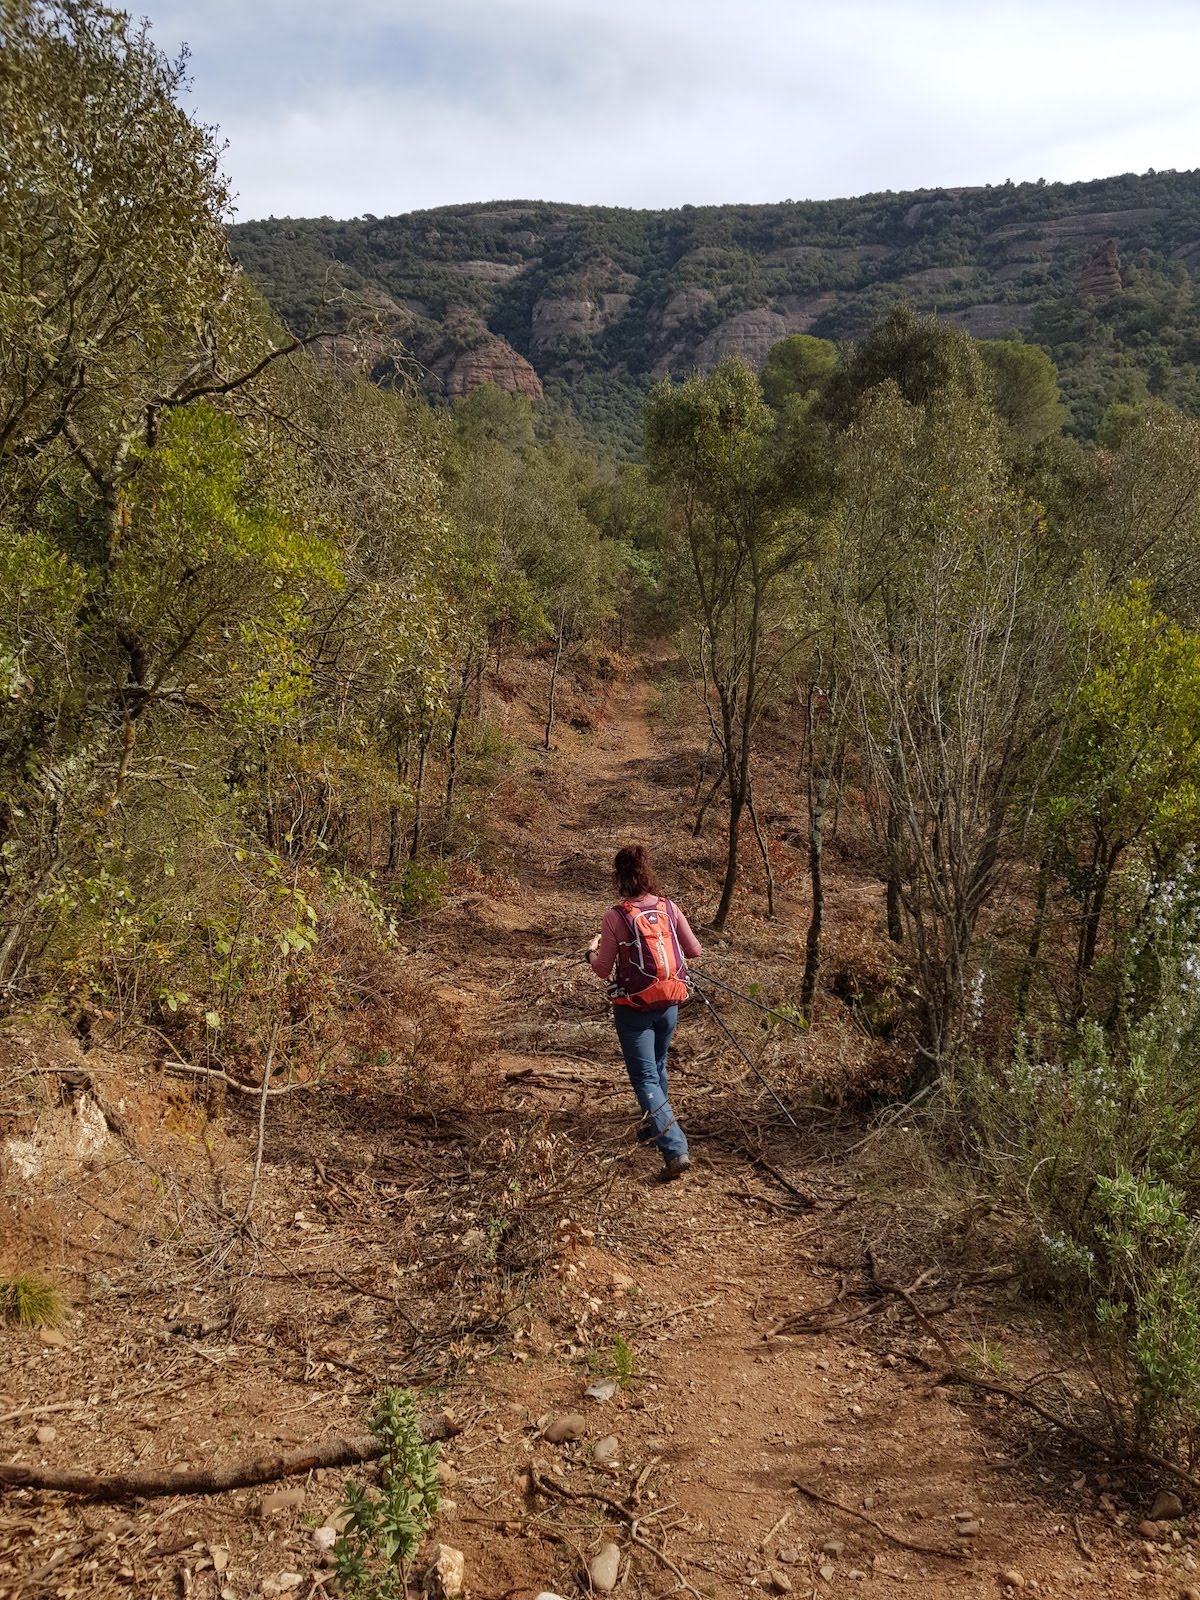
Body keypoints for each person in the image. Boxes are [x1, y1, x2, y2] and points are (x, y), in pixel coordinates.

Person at [586, 843, 702, 1181]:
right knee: (659, 1065)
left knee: (645, 1078)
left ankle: (674, 1148)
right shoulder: (668, 907)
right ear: (647, 872)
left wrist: (590, 953)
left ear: (618, 876)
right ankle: (654, 1128)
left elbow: (602, 968)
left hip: (634, 1008)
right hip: (669, 1002)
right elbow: (693, 950)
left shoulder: (615, 917)